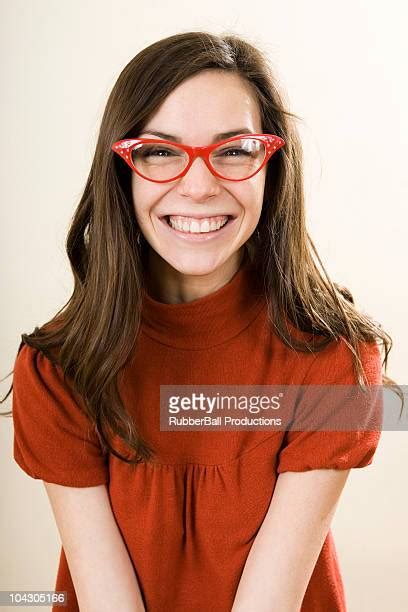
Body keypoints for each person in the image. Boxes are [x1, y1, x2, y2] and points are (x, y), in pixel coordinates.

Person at [4, 30, 401, 612]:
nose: (198, 185)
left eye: (234, 150)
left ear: (272, 165)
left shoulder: (336, 360)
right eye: (160, 151)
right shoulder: (60, 368)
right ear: (125, 170)